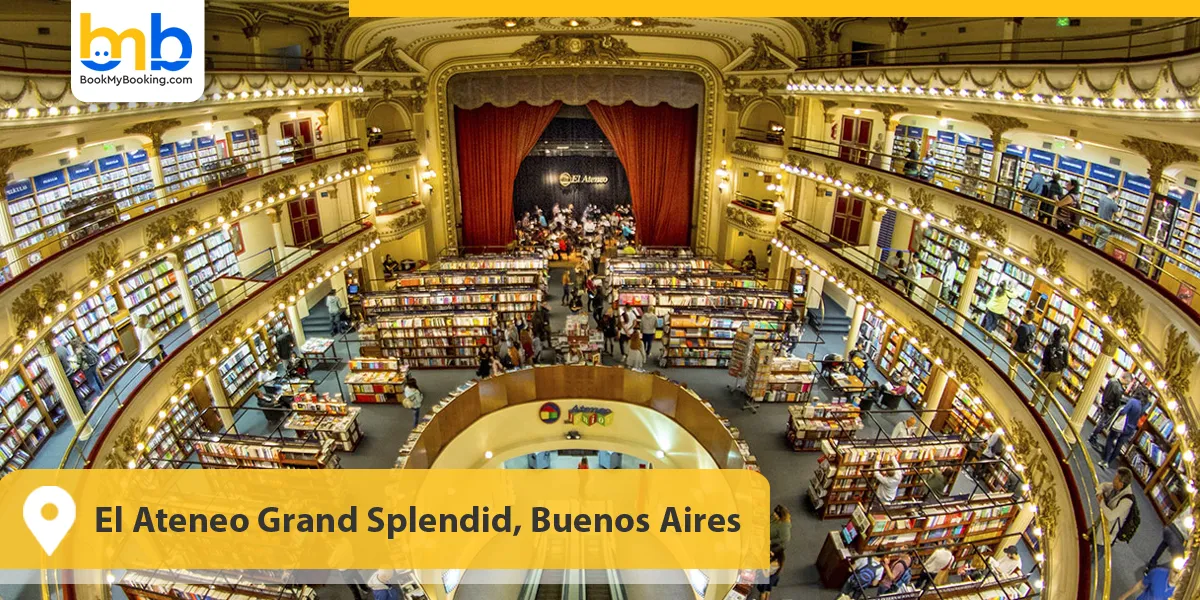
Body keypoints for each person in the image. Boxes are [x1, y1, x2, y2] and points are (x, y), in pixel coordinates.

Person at [1102, 391, 1146, 468]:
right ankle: (1109, 462)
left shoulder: (1132, 401)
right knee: (1119, 445)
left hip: (1122, 425)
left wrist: (1119, 410)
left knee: (1110, 439)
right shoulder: (1142, 407)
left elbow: (1124, 411)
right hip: (1131, 429)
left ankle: (1105, 459)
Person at [1032, 326, 1068, 413]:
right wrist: (1061, 375)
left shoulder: (1049, 347)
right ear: (1063, 337)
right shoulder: (1064, 349)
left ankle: (1032, 405)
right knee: (1050, 393)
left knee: (1039, 389)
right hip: (1057, 373)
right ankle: (1044, 411)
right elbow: (1065, 363)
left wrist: (1042, 372)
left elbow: (1044, 361)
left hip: (1047, 371)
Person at [1089, 374, 1130, 448]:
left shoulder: (1112, 380)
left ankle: (1093, 435)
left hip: (1105, 402)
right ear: (1125, 380)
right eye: (1127, 382)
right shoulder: (1119, 389)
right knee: (1102, 422)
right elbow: (1117, 402)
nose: (1127, 384)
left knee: (1101, 420)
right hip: (1110, 408)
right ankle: (1093, 436)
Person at [1097, 467, 1136, 543]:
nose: (1113, 480)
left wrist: (1101, 502)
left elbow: (1111, 516)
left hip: (1107, 533)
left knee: (1097, 551)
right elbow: (1104, 485)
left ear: (1121, 484)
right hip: (1101, 524)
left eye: (1115, 479)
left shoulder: (1127, 501)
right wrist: (1099, 492)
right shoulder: (1116, 486)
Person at [1010, 309, 1037, 378]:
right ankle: (1013, 378)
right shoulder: (1034, 327)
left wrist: (1012, 346)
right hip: (1025, 351)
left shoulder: (1022, 327)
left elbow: (1015, 336)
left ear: (1027, 317)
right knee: (1016, 365)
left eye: (1024, 315)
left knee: (1011, 365)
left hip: (1017, 349)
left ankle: (1009, 379)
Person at [1095, 185, 1123, 250]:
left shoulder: (1102, 198)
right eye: (1117, 192)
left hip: (1098, 224)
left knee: (1095, 241)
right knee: (1100, 246)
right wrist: (1123, 208)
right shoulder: (1113, 203)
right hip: (1105, 227)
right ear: (1114, 192)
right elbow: (1119, 216)